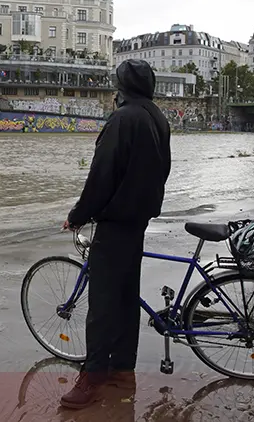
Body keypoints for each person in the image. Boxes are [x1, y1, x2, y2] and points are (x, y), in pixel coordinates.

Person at [59, 59, 172, 410]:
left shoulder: (122, 119)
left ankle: (92, 376)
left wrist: (79, 214)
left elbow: (101, 175)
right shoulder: (157, 117)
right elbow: (163, 168)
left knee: (103, 304)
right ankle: (123, 370)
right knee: (125, 299)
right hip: (138, 219)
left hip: (115, 222)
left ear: (120, 88)